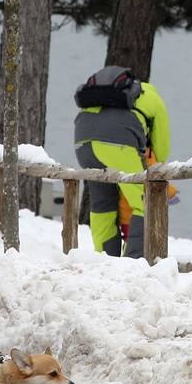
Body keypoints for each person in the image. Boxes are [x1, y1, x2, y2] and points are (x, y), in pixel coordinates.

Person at [73, 65, 172, 257]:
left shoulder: (101, 93)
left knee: (102, 204)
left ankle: (105, 258)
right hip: (117, 144)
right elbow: (162, 149)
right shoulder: (153, 98)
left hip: (83, 143)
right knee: (145, 201)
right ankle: (133, 262)